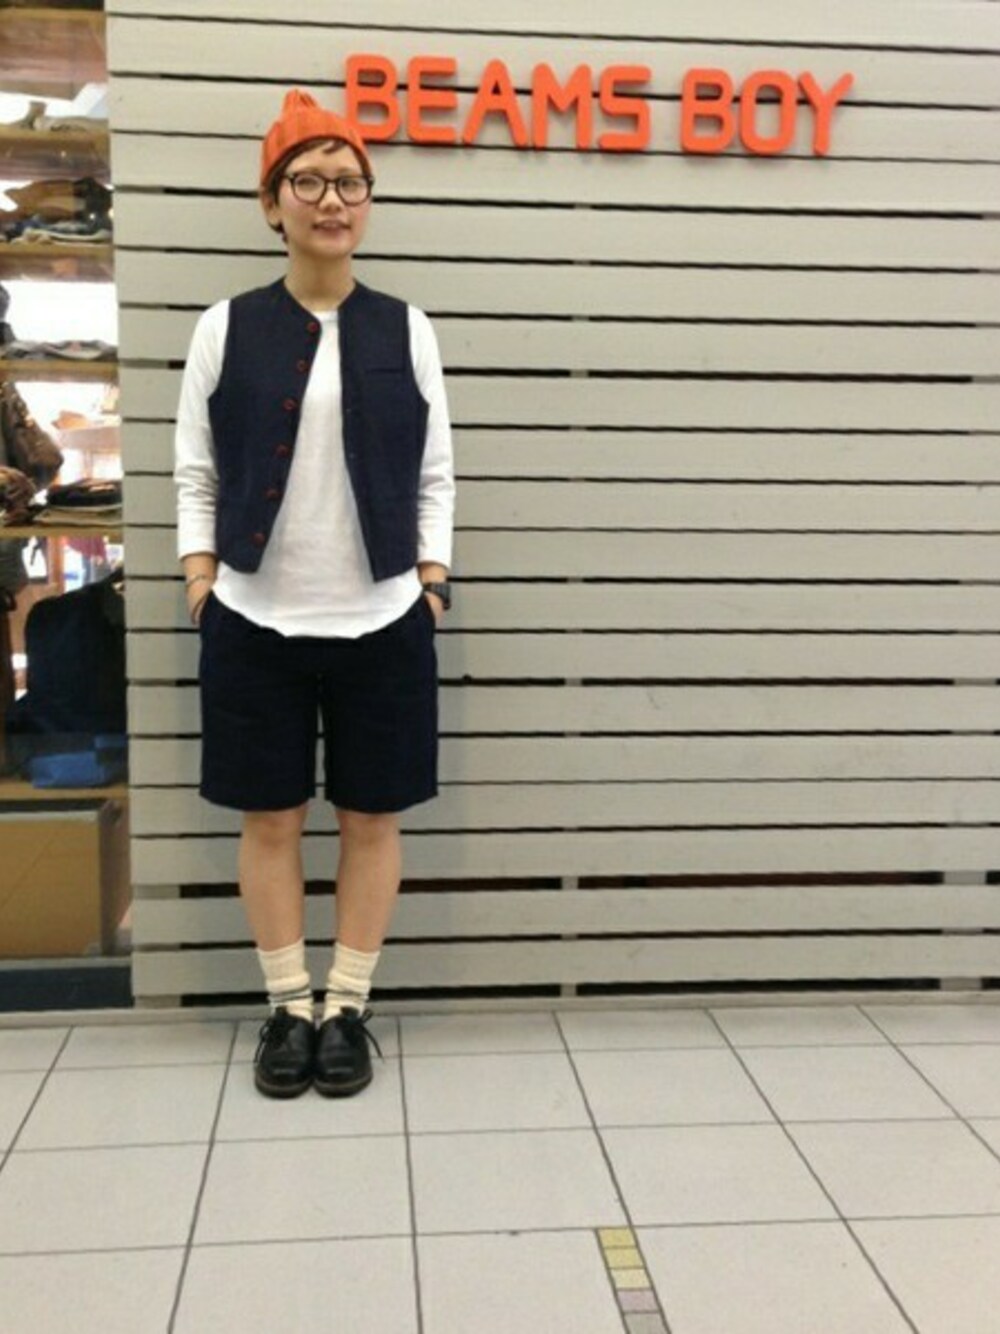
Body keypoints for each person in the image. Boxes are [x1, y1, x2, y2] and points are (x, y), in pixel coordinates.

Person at [173, 90, 455, 1099]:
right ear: (272, 203)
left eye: (350, 182)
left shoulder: (406, 327)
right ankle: (288, 1007)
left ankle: (348, 1008)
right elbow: (196, 471)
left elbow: (435, 473)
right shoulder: (225, 327)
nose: (331, 199)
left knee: (372, 819)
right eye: (308, 180)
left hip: (383, 618)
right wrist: (201, 581)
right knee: (270, 820)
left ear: (367, 202)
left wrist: (431, 584)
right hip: (253, 618)